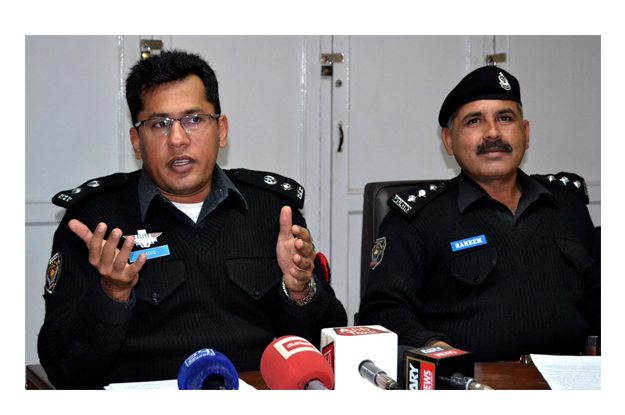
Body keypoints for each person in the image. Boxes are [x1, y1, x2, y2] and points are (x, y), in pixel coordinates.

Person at [37, 50, 347, 389]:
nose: (178, 139)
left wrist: (299, 291)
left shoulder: (272, 210)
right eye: (159, 124)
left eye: (194, 119)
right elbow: (62, 367)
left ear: (222, 130)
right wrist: (112, 293)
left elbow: (329, 344)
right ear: (136, 142)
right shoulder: (95, 222)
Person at [358, 66, 600, 361]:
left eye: (505, 118)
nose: (493, 133)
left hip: (573, 379)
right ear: (448, 140)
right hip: (471, 381)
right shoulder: (417, 218)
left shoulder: (567, 205)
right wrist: (436, 350)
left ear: (525, 133)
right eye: (474, 121)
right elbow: (384, 309)